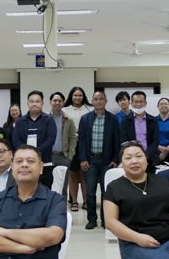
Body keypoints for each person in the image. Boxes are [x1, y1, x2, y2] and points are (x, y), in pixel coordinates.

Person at [78, 90, 121, 230]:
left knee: (105, 192)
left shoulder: (113, 119)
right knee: (90, 192)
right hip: (90, 161)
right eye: (95, 99)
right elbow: (82, 142)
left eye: (101, 99)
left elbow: (117, 141)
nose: (98, 101)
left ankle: (105, 220)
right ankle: (91, 219)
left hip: (107, 161)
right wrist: (83, 158)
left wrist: (116, 159)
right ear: (92, 101)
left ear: (106, 101)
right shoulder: (85, 119)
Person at [11, 91, 56, 188]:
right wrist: (26, 153)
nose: (34, 104)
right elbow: (15, 140)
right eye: (31, 101)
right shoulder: (20, 121)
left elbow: (50, 140)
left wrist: (35, 152)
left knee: (44, 194)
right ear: (27, 104)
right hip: (24, 164)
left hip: (45, 164)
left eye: (37, 101)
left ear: (42, 103)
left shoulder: (49, 120)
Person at [63, 86, 94, 216]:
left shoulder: (90, 109)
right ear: (71, 96)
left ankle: (86, 201)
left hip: (86, 144)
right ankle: (74, 201)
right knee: (72, 173)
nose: (77, 98)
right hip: (71, 144)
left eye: (80, 95)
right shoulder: (65, 110)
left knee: (84, 173)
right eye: (75, 95)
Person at [121, 91, 160, 172]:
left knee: (150, 183)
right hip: (132, 160)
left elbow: (156, 140)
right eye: (136, 102)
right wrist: (135, 156)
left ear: (145, 103)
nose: (138, 104)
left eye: (141, 102)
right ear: (131, 103)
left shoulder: (153, 120)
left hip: (150, 159)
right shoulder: (125, 120)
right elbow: (124, 140)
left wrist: (145, 155)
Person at [47, 93, 78, 191]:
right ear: (50, 102)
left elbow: (73, 138)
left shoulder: (68, 119)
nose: (57, 103)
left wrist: (70, 156)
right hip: (48, 157)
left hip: (63, 157)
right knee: (47, 185)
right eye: (54, 100)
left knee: (63, 187)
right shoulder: (45, 119)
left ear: (63, 103)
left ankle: (61, 206)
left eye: (60, 101)